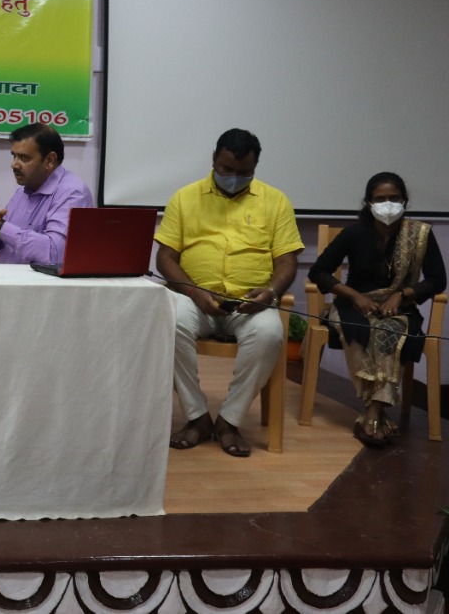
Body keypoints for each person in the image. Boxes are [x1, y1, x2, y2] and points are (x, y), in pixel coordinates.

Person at [156, 128, 303, 457]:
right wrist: (194, 292)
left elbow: (287, 262)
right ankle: (197, 416)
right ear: (214, 160)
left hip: (249, 306)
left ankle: (229, 420)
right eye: (226, 169)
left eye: (243, 172)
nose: (234, 177)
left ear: (256, 166)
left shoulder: (276, 201)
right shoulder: (185, 197)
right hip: (196, 300)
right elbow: (165, 258)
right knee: (169, 322)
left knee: (269, 334)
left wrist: (271, 292)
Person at [308, 172, 446, 448]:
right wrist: (354, 296)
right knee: (360, 331)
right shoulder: (354, 233)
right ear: (369, 203)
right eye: (380, 199)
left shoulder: (419, 234)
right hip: (353, 305)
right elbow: (319, 272)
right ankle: (376, 412)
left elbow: (437, 280)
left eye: (394, 198)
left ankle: (372, 413)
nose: (388, 204)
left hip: (401, 309)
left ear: (404, 201)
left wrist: (402, 295)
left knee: (392, 331)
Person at [0, 123, 93, 263]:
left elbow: (54, 253)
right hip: (7, 276)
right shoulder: (22, 191)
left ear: (49, 160)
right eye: (14, 156)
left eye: (24, 158)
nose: (14, 164)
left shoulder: (73, 193)